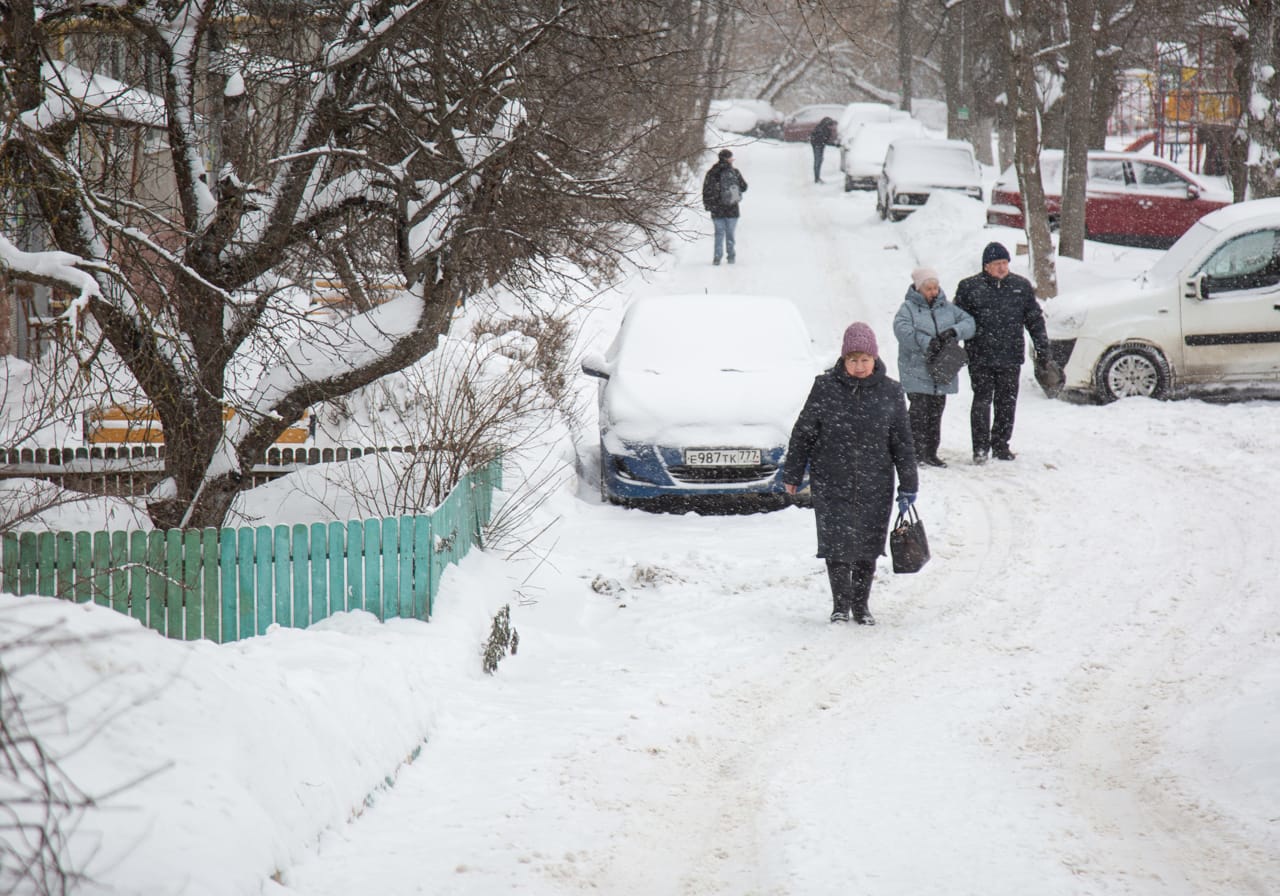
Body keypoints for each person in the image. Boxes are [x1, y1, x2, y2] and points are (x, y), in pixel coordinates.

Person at [783, 322, 918, 625]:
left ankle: (861, 605)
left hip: (876, 480)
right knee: (836, 544)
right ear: (844, 360)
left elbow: (903, 441)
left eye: (865, 360)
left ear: (875, 359)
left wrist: (909, 484)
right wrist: (793, 473)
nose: (859, 366)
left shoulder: (891, 392)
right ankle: (840, 606)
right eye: (853, 360)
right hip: (832, 479)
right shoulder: (825, 387)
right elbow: (804, 433)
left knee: (868, 545)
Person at [953, 242, 1051, 464]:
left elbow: (1034, 320)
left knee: (1006, 403)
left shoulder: (1020, 287)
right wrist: (951, 345)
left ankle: (1000, 445)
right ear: (986, 266)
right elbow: (957, 319)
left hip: (1010, 356)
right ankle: (980, 448)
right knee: (982, 401)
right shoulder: (969, 287)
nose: (1002, 268)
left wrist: (1042, 347)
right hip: (980, 356)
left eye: (1005, 263)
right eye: (997, 264)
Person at [892, 267, 976, 468]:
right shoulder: (908, 309)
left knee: (936, 412)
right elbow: (901, 330)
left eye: (935, 287)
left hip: (941, 370)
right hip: (917, 370)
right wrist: (926, 342)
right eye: (929, 288)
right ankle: (914, 453)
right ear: (919, 288)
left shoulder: (948, 308)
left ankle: (931, 452)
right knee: (918, 413)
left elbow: (970, 323)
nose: (933, 292)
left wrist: (954, 332)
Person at [701, 148, 748, 265]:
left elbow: (706, 190)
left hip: (717, 209)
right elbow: (744, 187)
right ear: (728, 159)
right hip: (732, 208)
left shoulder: (712, 173)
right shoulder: (734, 172)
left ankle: (717, 257)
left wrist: (708, 205)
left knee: (719, 233)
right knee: (730, 234)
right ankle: (731, 256)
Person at [809, 116, 838, 183]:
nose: (831, 127)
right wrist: (834, 144)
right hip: (817, 145)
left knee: (819, 160)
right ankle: (817, 178)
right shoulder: (822, 130)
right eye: (830, 126)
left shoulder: (824, 129)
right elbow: (825, 140)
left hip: (819, 145)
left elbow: (825, 140)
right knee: (818, 161)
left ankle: (817, 177)